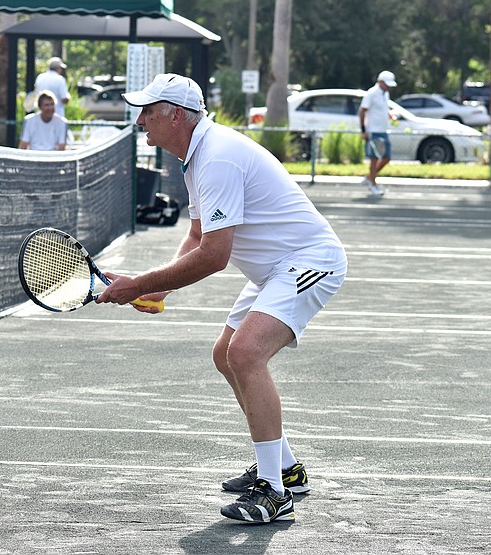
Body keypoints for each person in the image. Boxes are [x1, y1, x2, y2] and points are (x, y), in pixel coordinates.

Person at [98, 73, 347, 524]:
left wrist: (137, 284)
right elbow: (197, 234)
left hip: (311, 260)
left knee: (246, 351)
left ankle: (273, 492)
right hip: (275, 268)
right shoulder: (197, 156)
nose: (140, 121)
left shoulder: (217, 158)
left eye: (148, 112)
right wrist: (157, 287)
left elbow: (214, 256)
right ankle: (286, 469)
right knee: (225, 354)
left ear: (176, 116)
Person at [359, 70, 397, 197]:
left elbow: (384, 109)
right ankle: (373, 185)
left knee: (387, 157)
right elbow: (362, 111)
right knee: (374, 159)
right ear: (380, 82)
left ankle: (370, 177)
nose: (388, 87)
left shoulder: (385, 94)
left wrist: (390, 115)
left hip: (383, 130)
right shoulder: (371, 93)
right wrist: (363, 130)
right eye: (387, 84)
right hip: (373, 131)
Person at [34, 57, 71, 145]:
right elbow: (64, 99)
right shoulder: (60, 79)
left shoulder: (40, 77)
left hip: (41, 115)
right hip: (57, 114)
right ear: (58, 68)